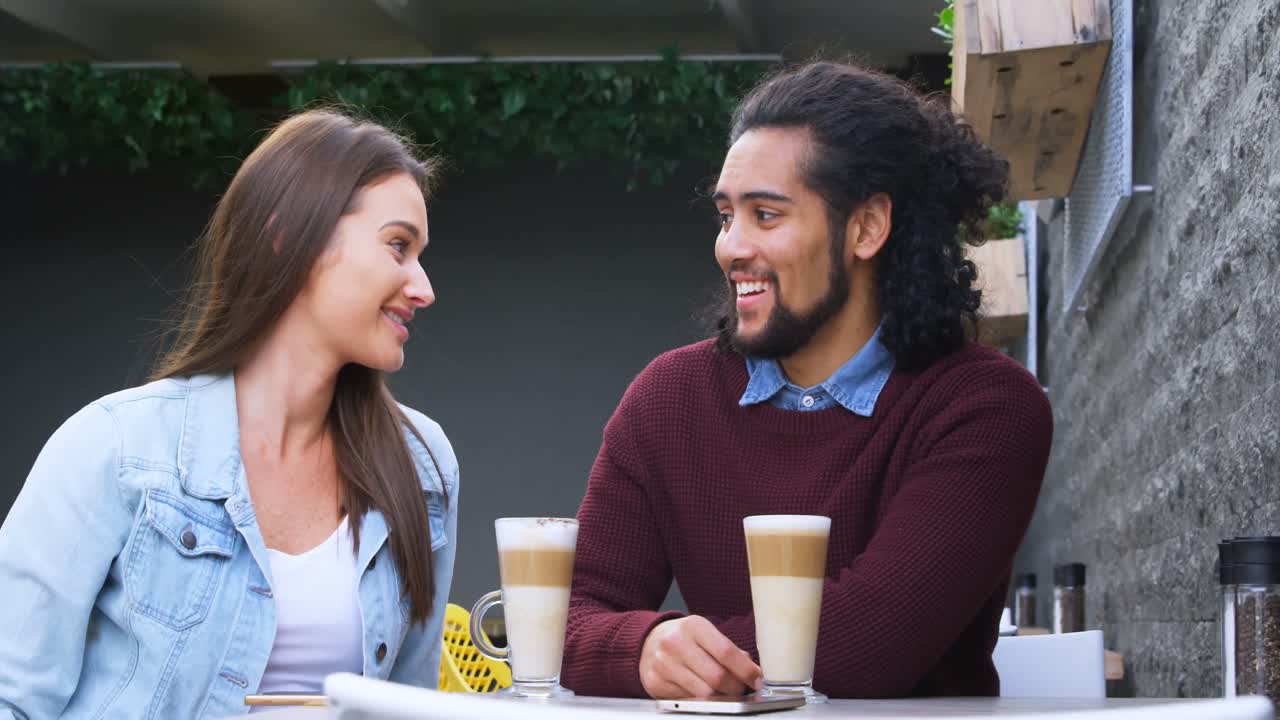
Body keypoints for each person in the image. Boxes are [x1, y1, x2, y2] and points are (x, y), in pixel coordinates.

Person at [561, 61, 1052, 699]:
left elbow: (867, 647)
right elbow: (562, 623)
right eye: (726, 216)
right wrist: (644, 647)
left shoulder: (985, 407)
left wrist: (684, 654)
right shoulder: (669, 399)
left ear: (866, 228)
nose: (731, 247)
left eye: (766, 215)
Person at [0, 109, 459, 718]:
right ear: (289, 237)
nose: (424, 287)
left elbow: (407, 705)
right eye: (398, 246)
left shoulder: (422, 466)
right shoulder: (116, 450)